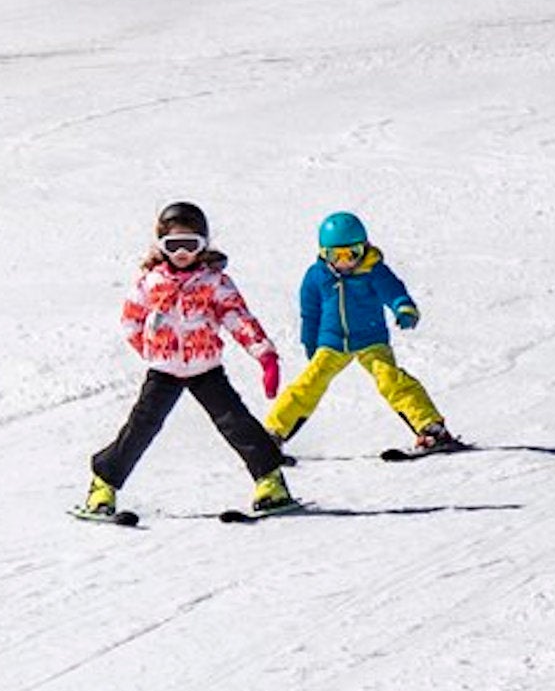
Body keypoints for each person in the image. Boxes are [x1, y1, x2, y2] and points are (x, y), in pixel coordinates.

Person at [81, 199, 296, 521]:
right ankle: (103, 484)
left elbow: (238, 318)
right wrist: (152, 349)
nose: (182, 252)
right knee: (141, 427)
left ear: (203, 245)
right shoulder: (150, 282)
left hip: (205, 368)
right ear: (161, 245)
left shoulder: (214, 283)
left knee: (235, 422)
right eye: (174, 244)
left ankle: (270, 480)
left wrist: (264, 354)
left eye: (190, 244)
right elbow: (131, 320)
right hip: (164, 370)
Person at [266, 210, 462, 457]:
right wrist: (310, 340)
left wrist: (403, 307)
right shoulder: (316, 276)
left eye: (353, 254)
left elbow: (393, 291)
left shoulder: (373, 270)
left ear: (365, 248)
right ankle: (272, 435)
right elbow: (310, 312)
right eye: (336, 256)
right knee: (308, 384)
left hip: (371, 339)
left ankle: (431, 427)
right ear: (324, 254)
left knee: (391, 379)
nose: (345, 262)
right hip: (332, 341)